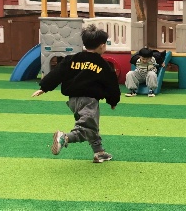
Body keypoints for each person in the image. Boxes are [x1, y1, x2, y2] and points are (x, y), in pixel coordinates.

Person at [31, 24, 120, 164]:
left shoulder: (72, 59)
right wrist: (113, 100)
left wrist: (44, 87)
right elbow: (111, 84)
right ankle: (65, 137)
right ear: (102, 46)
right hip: (89, 101)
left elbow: (57, 73)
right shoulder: (103, 65)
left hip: (73, 101)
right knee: (87, 128)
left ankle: (99, 152)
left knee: (90, 124)